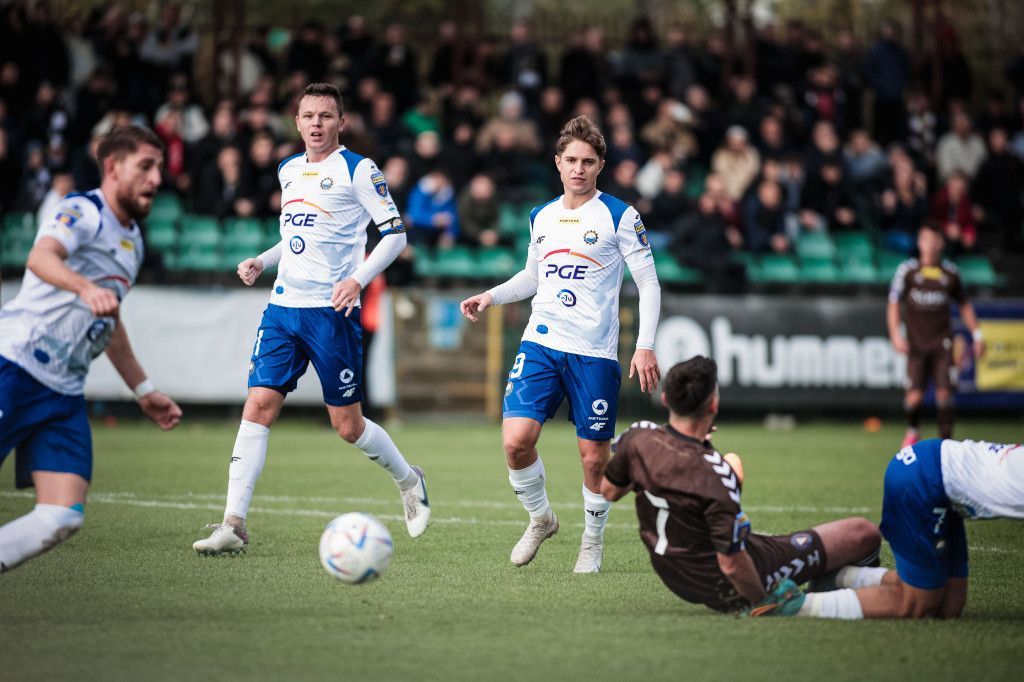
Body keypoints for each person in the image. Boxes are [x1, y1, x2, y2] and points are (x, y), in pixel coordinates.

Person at [192, 83, 429, 557]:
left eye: (326, 116)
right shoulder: (287, 169)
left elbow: (395, 237)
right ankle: (233, 525)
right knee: (258, 406)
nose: (316, 123)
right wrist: (263, 259)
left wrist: (358, 280)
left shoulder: (360, 170)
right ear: (296, 122)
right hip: (283, 308)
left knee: (347, 426)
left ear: (341, 122)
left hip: (332, 313)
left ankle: (409, 479)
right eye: (308, 116)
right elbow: (296, 234)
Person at [459, 115, 662, 573]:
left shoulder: (620, 216)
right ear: (557, 162)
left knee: (593, 458)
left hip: (594, 354)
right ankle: (541, 518)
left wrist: (644, 345)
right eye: (571, 160)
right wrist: (490, 296)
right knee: (515, 443)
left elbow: (649, 284)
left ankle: (592, 541)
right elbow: (533, 277)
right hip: (542, 343)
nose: (579, 168)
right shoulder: (541, 215)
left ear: (600, 166)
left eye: (588, 161)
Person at [0, 125, 183, 572]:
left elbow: (110, 320)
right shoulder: (82, 210)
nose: (156, 178)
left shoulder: (134, 243)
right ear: (112, 167)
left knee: (63, 514)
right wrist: (84, 287)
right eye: (145, 166)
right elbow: (41, 258)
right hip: (16, 365)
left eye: (159, 167)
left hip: (62, 393)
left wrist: (144, 390)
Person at [600, 356, 883, 614]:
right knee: (864, 532)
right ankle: (816, 595)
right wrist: (762, 602)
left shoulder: (637, 437)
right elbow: (732, 564)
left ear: (665, 400)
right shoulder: (716, 473)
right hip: (725, 583)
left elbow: (609, 491)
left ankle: (830, 579)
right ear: (713, 405)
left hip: (674, 573)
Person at [751, 438, 1023, 619]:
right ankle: (793, 605)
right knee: (917, 605)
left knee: (949, 607)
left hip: (939, 480)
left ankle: (838, 578)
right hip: (924, 479)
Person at [888, 221, 984, 449]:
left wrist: (977, 335)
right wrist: (895, 334)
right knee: (914, 398)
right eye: (926, 240)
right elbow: (893, 302)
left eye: (934, 240)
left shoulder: (950, 273)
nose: (930, 245)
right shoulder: (908, 271)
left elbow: (965, 305)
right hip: (916, 345)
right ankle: (913, 431)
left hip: (943, 344)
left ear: (941, 243)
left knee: (944, 395)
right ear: (919, 242)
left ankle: (946, 445)